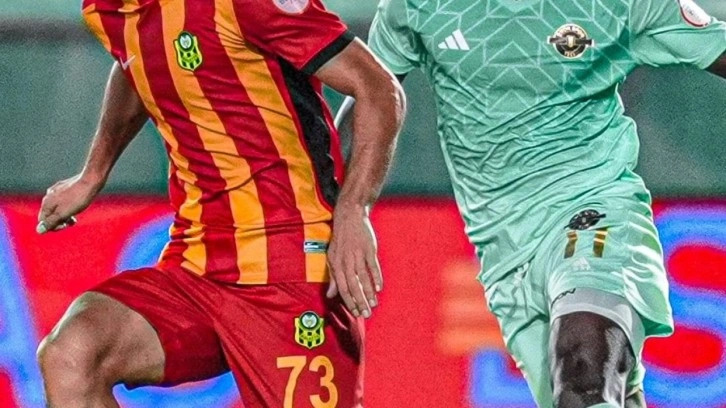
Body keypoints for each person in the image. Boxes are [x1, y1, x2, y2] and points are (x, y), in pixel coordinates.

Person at [336, 0, 726, 406]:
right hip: (504, 252)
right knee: (586, 397)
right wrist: (344, 210)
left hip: (593, 207)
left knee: (583, 370)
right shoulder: (417, 7)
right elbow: (373, 93)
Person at [35, 0, 405, 406]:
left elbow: (378, 88)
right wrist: (94, 173)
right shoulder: (110, 9)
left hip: (289, 262)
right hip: (196, 265)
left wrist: (353, 210)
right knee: (73, 355)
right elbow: (135, 60)